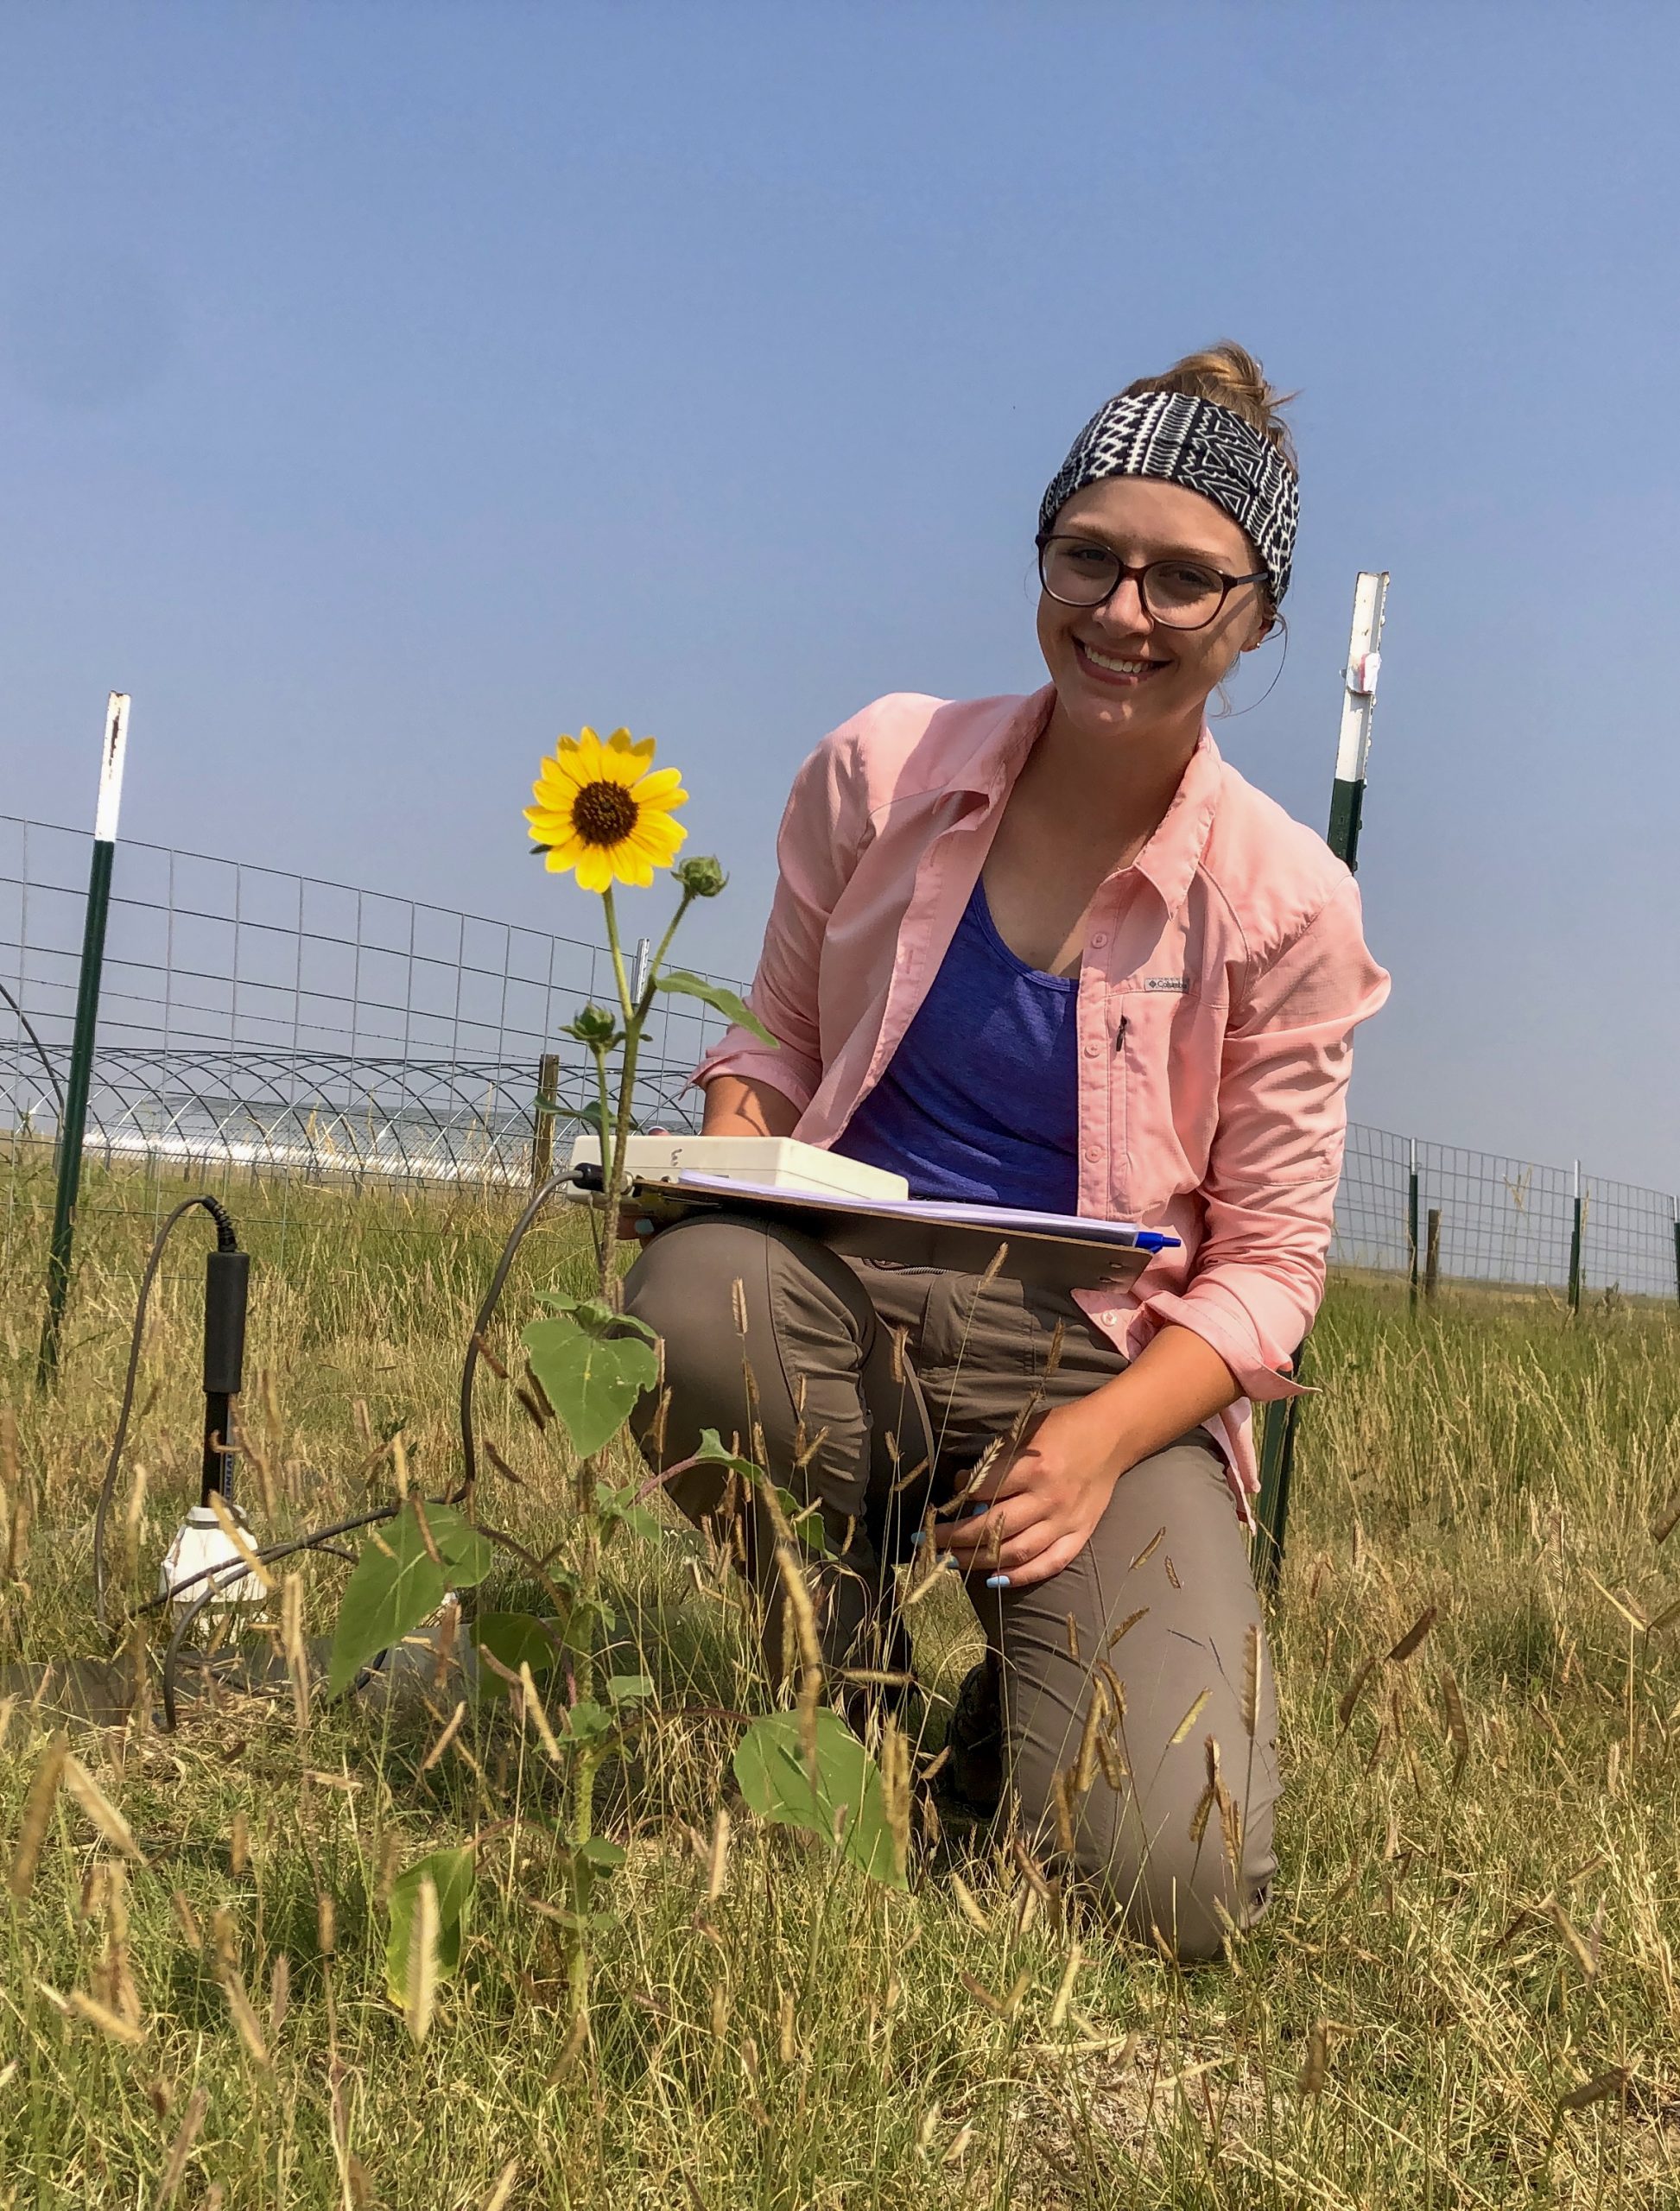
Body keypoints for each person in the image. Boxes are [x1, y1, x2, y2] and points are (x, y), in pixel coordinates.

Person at [624, 344, 1390, 1961]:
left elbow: (1266, 1274)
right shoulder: (882, 769)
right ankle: (837, 1683)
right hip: (840, 1303)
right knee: (687, 1299)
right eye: (1087, 558)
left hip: (1095, 1362)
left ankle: (1003, 1724)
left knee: (1163, 1889)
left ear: (1255, 617)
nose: (1124, 611)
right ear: (1038, 557)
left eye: (1186, 581)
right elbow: (770, 1039)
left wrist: (1105, 1442)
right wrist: (728, 1159)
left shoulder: (1288, 903)